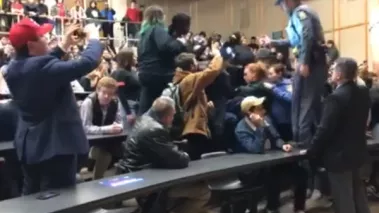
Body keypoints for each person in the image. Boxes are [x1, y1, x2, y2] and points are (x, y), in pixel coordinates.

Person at [4, 18, 103, 194]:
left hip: (31, 145)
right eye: (42, 37)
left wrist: (63, 47)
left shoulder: (13, 68)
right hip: (55, 146)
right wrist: (94, 39)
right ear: (31, 45)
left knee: (32, 196)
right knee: (59, 200)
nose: (47, 39)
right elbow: (86, 63)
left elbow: (43, 65)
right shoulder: (41, 67)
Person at [117, 97, 211, 213]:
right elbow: (179, 160)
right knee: (203, 191)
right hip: (150, 184)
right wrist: (184, 153)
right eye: (173, 115)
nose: (173, 119)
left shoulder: (143, 119)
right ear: (167, 116)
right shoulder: (154, 130)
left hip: (138, 173)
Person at [306, 57, 371, 213]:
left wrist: (312, 150)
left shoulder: (335, 98)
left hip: (338, 156)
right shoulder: (362, 92)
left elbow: (325, 129)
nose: (331, 72)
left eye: (333, 69)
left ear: (339, 75)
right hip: (357, 151)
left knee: (344, 199)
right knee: (358, 195)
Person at [261, 0, 327, 147]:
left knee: (306, 103)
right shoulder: (295, 16)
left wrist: (304, 61)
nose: (282, 8)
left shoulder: (300, 12)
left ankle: (304, 142)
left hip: (312, 63)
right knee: (299, 103)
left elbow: (307, 36)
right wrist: (273, 42)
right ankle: (302, 140)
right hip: (308, 63)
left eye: (282, 4)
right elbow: (295, 41)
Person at [235, 96, 307, 213]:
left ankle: (299, 208)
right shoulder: (241, 129)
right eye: (259, 109)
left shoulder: (266, 119)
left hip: (271, 162)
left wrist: (282, 145)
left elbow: (276, 137)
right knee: (273, 176)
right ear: (249, 112)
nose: (263, 111)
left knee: (301, 172)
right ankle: (272, 207)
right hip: (252, 170)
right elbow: (256, 148)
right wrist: (260, 127)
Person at [137, 5, 186, 115]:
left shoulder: (142, 34)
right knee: (165, 110)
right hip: (159, 74)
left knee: (145, 109)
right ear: (160, 17)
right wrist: (180, 43)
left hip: (145, 73)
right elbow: (166, 47)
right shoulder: (157, 29)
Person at [80, 77, 124, 179]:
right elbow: (85, 128)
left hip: (106, 140)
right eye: (104, 92)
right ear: (97, 90)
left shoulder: (115, 102)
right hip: (88, 141)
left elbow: (120, 122)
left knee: (121, 149)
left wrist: (119, 127)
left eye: (110, 94)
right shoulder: (89, 102)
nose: (107, 96)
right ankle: (97, 179)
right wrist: (108, 129)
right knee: (106, 154)